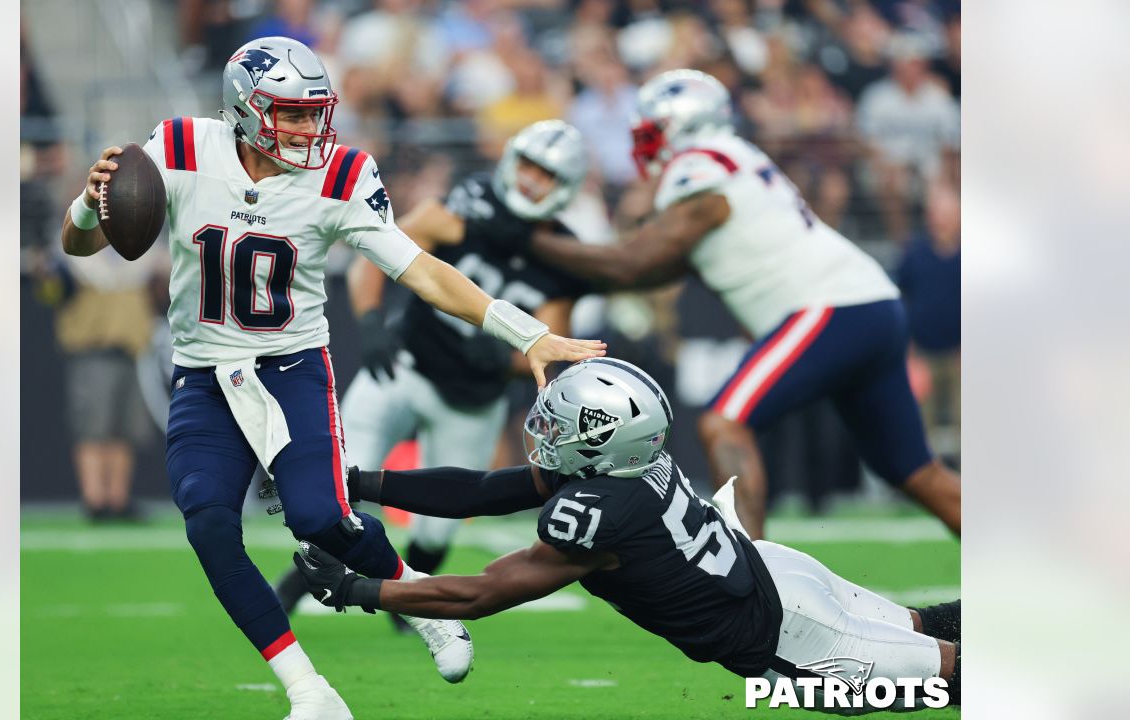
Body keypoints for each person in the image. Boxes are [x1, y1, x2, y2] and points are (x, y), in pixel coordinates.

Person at [60, 36, 604, 720]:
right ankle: (310, 692)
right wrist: (89, 202)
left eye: (313, 112)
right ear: (244, 111)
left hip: (291, 366)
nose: (308, 128)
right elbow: (81, 244)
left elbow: (424, 270)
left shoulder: (341, 175)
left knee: (323, 517)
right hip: (203, 372)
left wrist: (529, 333)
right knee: (208, 525)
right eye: (290, 114)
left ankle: (422, 600)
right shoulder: (177, 147)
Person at [293, 358, 961, 711]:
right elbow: (479, 490)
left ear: (603, 444)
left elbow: (483, 594)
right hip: (779, 577)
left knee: (955, 678)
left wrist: (362, 589)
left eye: (561, 428)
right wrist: (362, 482)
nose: (544, 433)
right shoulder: (628, 467)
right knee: (928, 627)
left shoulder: (597, 510)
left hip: (793, 638)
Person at [527, 69, 960, 539]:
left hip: (828, 306)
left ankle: (752, 575)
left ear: (682, 129)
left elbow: (630, 263)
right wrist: (572, 269)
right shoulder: (733, 160)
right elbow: (654, 268)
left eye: (651, 135)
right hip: (869, 305)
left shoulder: (699, 166)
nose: (644, 149)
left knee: (724, 423)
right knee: (918, 474)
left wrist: (529, 237)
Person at [272, 119, 594, 627]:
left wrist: (503, 359)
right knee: (338, 482)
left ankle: (409, 612)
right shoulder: (467, 205)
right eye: (529, 166)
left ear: (566, 188)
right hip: (406, 366)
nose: (532, 181)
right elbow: (379, 248)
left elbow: (552, 339)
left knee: (437, 533)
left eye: (547, 175)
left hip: (473, 399)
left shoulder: (562, 252)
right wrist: (373, 321)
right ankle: (293, 589)